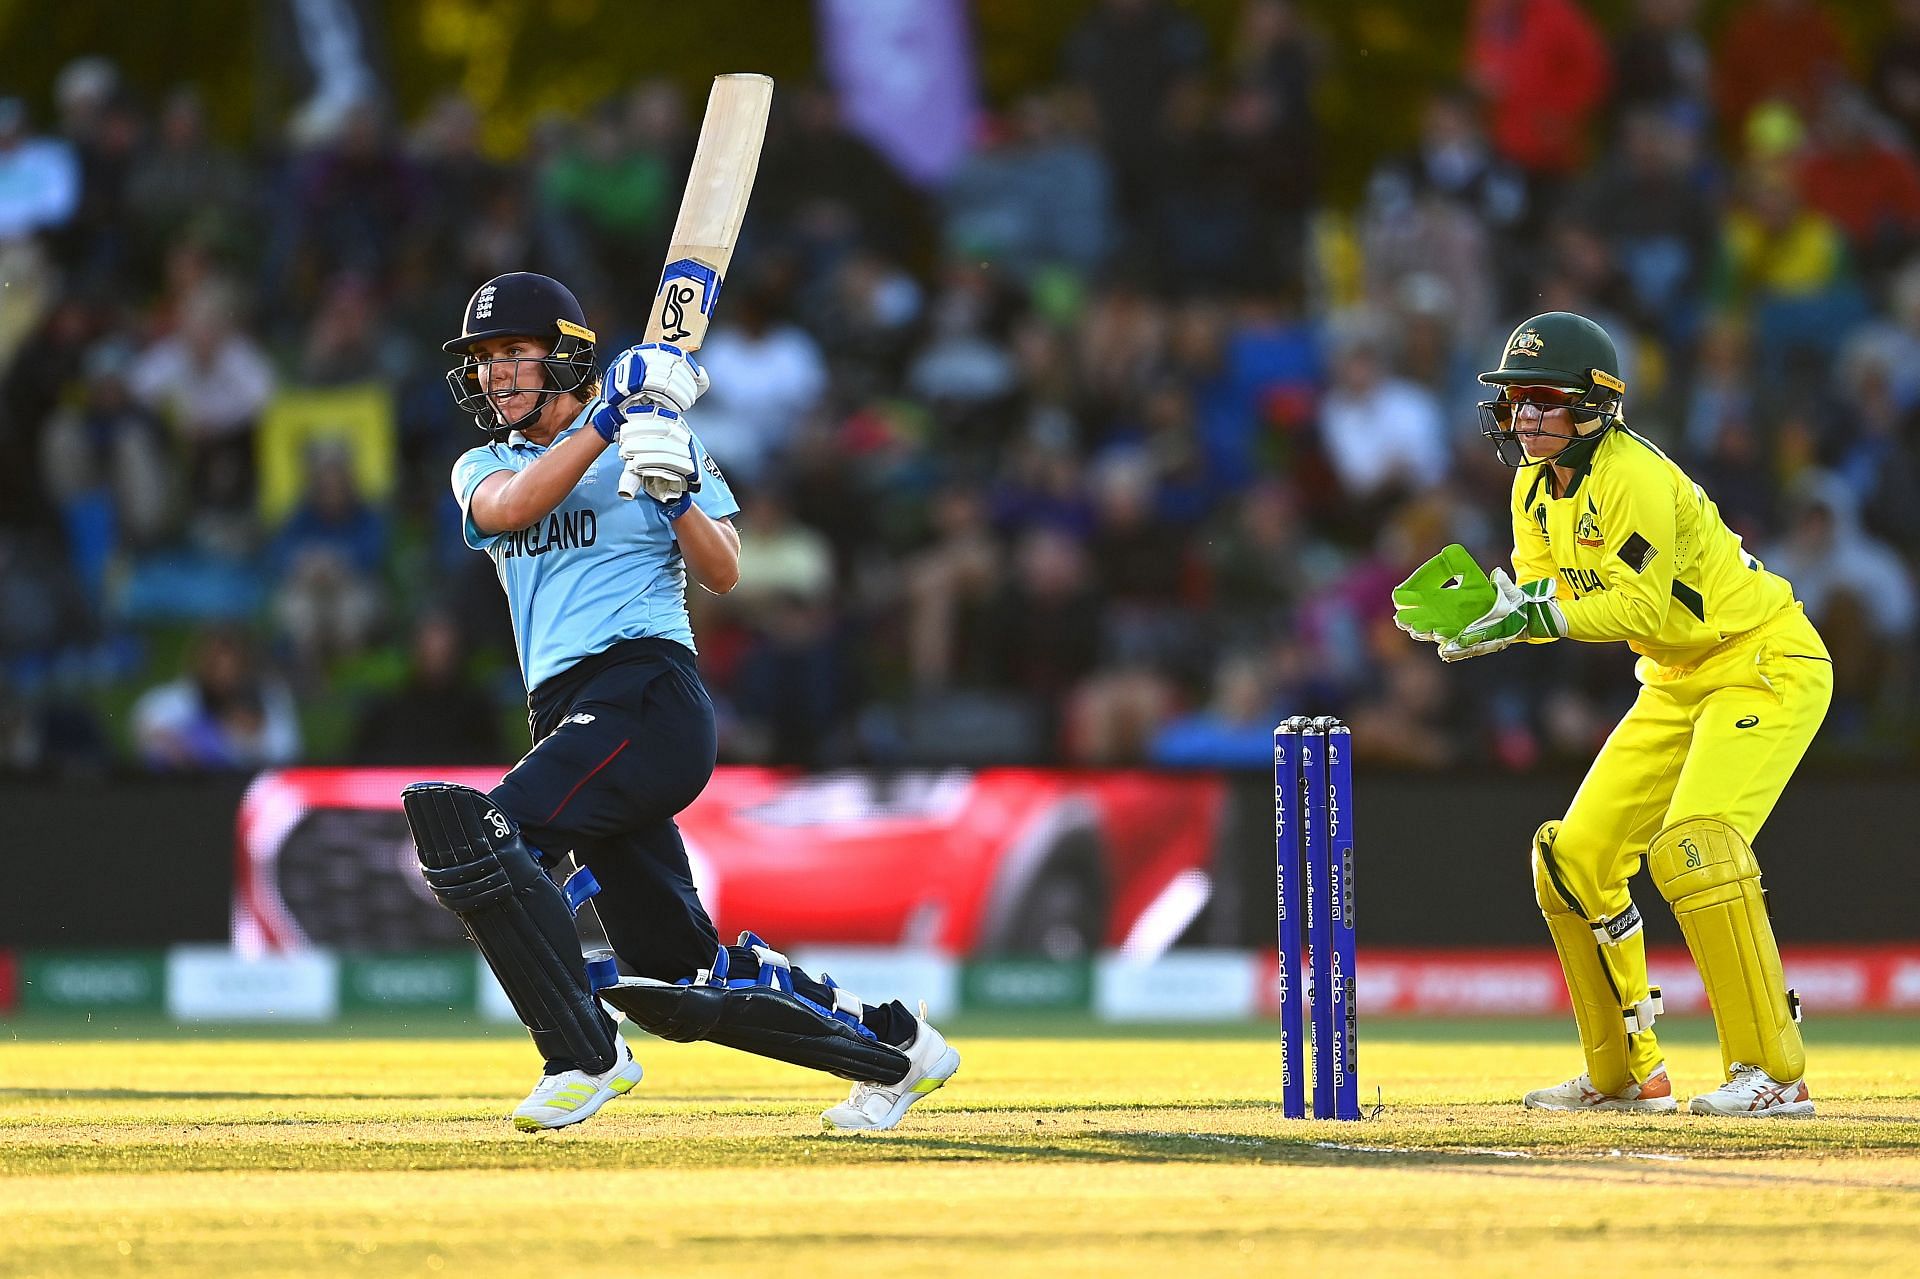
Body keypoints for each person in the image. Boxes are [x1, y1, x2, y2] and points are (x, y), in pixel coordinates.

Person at [413, 271, 959, 1133]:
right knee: (676, 979)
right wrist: (609, 422)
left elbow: (724, 569)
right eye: (484, 360)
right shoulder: (484, 462)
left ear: (563, 354)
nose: (494, 374)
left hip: (646, 694)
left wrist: (670, 496)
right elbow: (513, 507)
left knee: (486, 834)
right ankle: (898, 1048)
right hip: (572, 717)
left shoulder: (660, 438)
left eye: (513, 353)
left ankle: (583, 1053)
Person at [1392, 312, 1829, 1117]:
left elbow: (1633, 598)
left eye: (1544, 400)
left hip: (1762, 660)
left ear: (1595, 405)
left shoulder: (1634, 476)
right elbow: (1545, 594)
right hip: (1671, 677)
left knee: (1696, 846)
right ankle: (1626, 1072)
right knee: (1573, 858)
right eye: (1517, 401)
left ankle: (1774, 1070)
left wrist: (1529, 616)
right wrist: (1497, 615)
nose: (1525, 417)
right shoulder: (1532, 484)